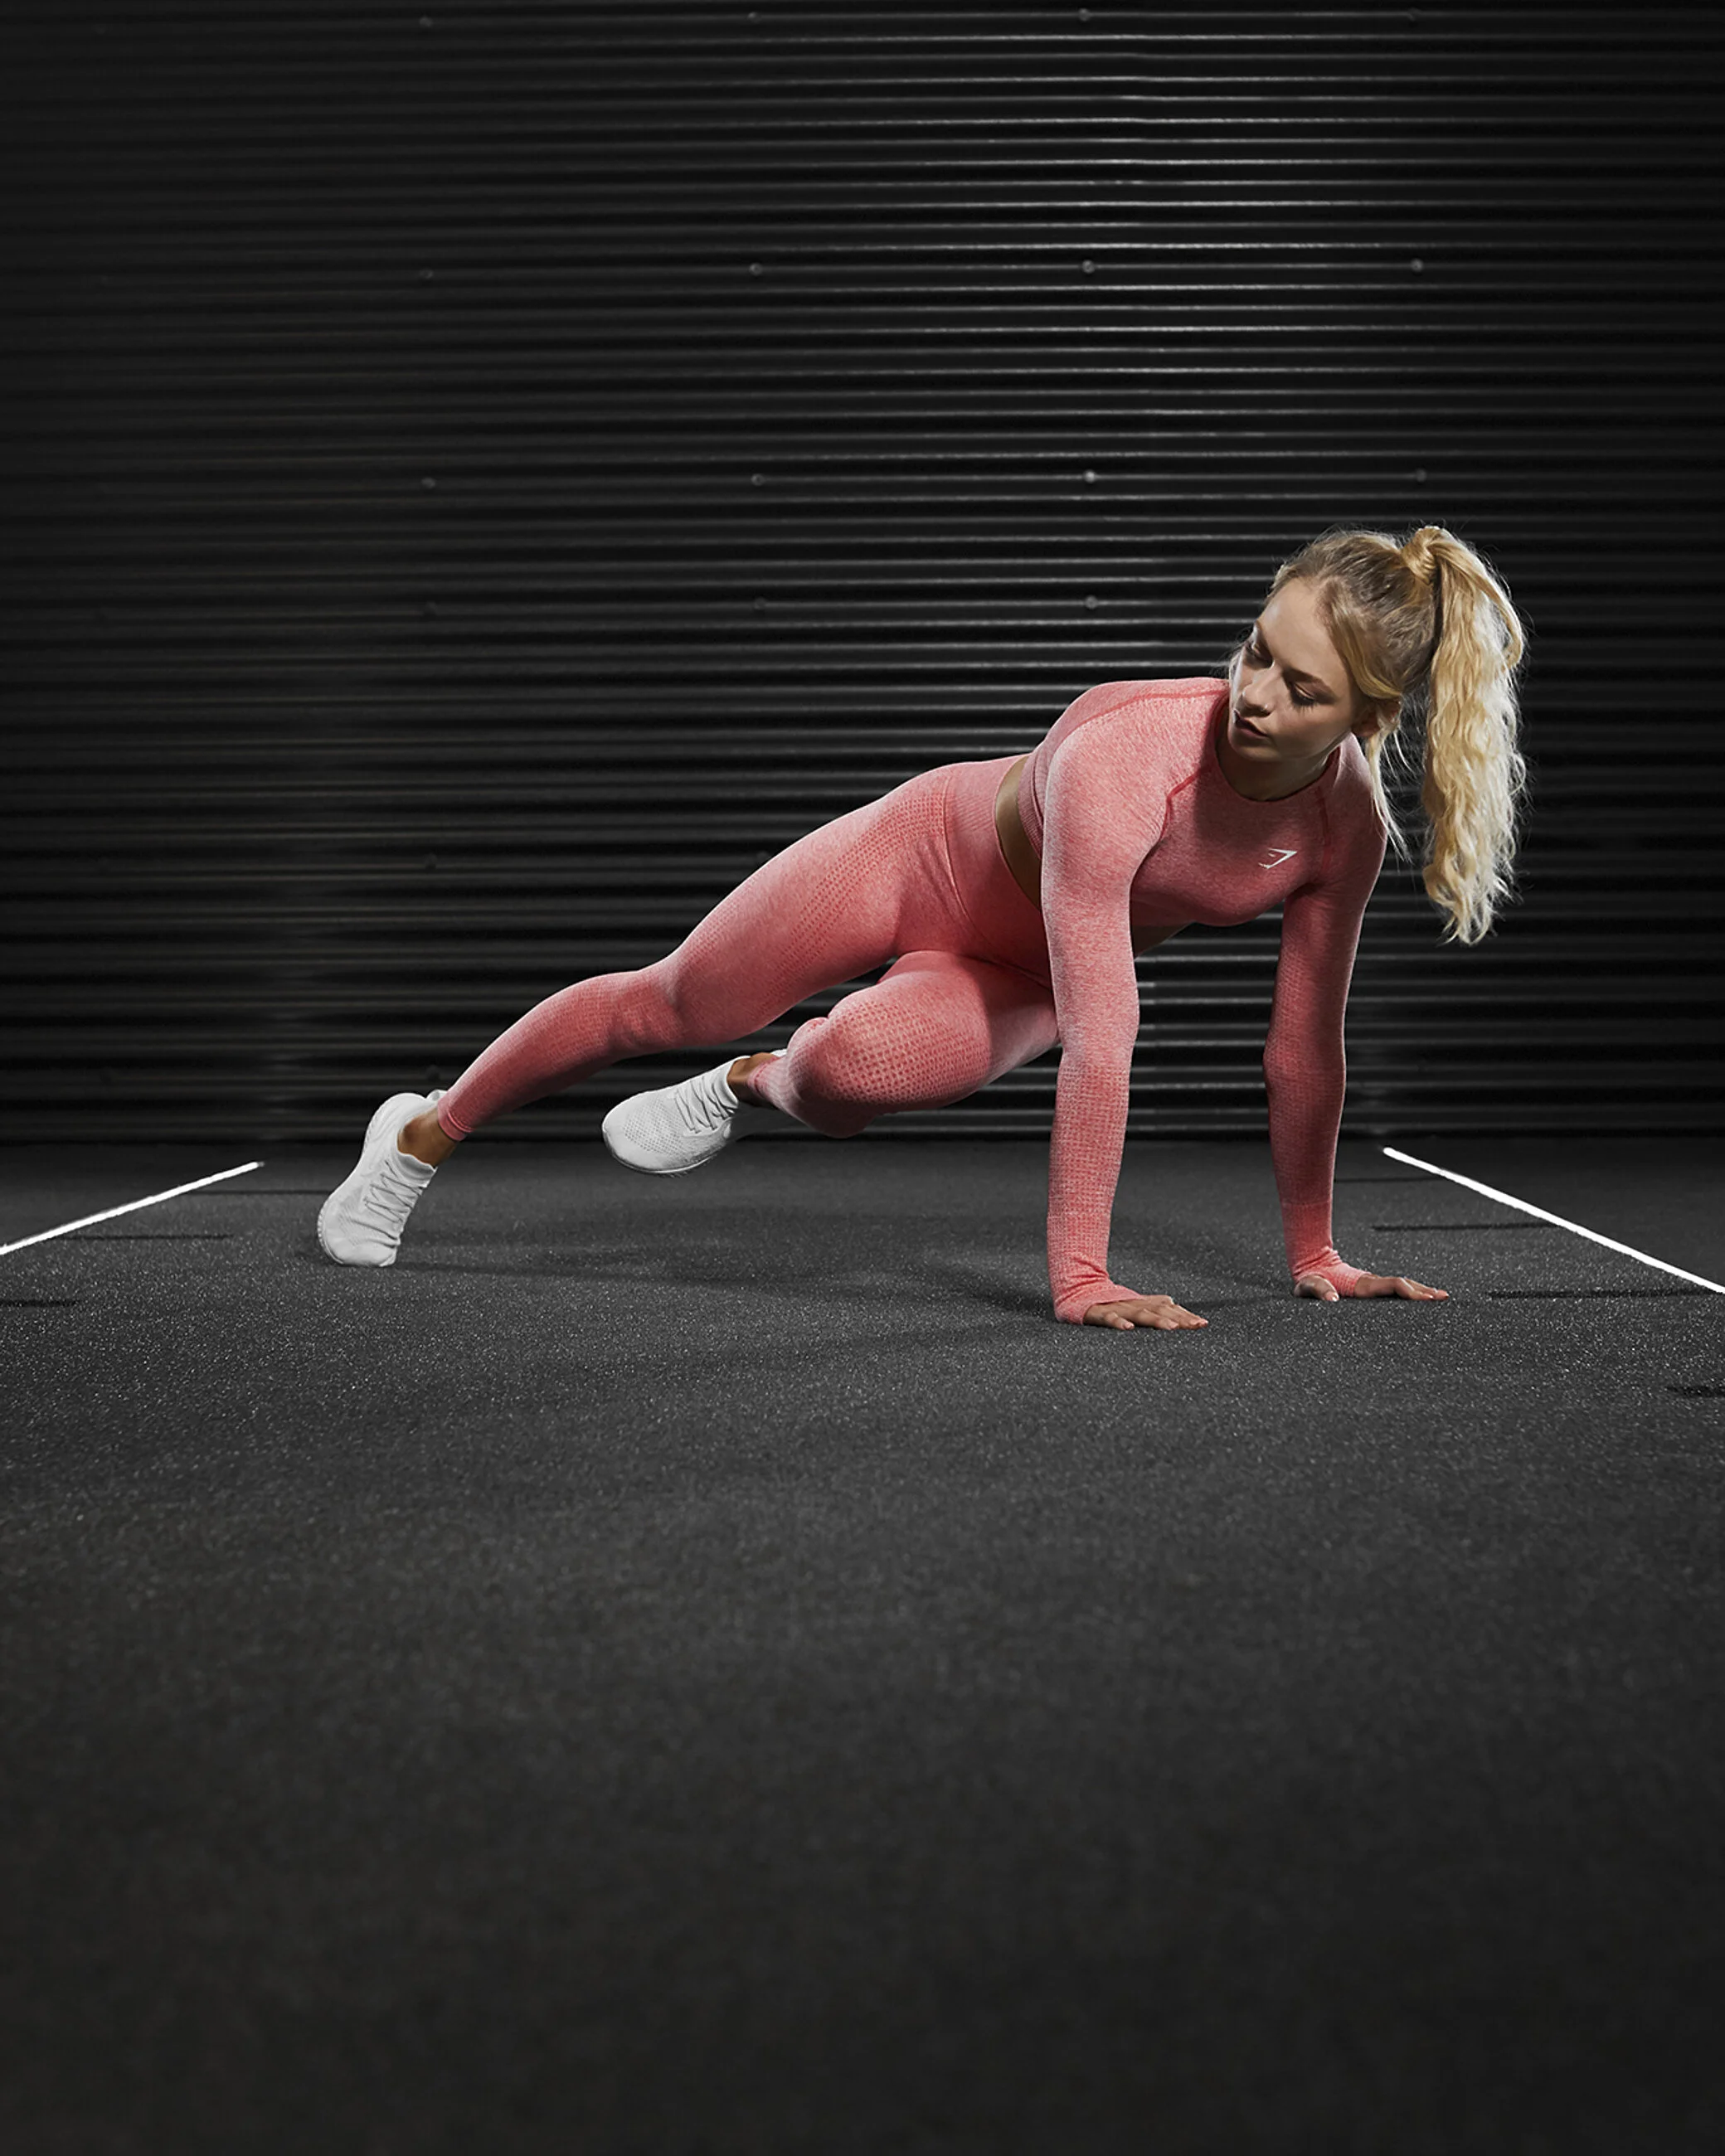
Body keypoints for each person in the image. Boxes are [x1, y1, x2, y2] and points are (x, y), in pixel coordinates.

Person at [318, 523, 1528, 1330]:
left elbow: (1302, 1050)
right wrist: (1082, 1277)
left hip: (1027, 972)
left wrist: (1314, 1253)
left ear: (1366, 719)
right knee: (678, 1001)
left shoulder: (1344, 830)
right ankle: (419, 1138)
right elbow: (1109, 1039)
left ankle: (751, 1083)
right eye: (1258, 652)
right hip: (926, 854)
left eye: (1301, 689)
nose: (1255, 696)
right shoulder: (1133, 760)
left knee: (849, 1071)